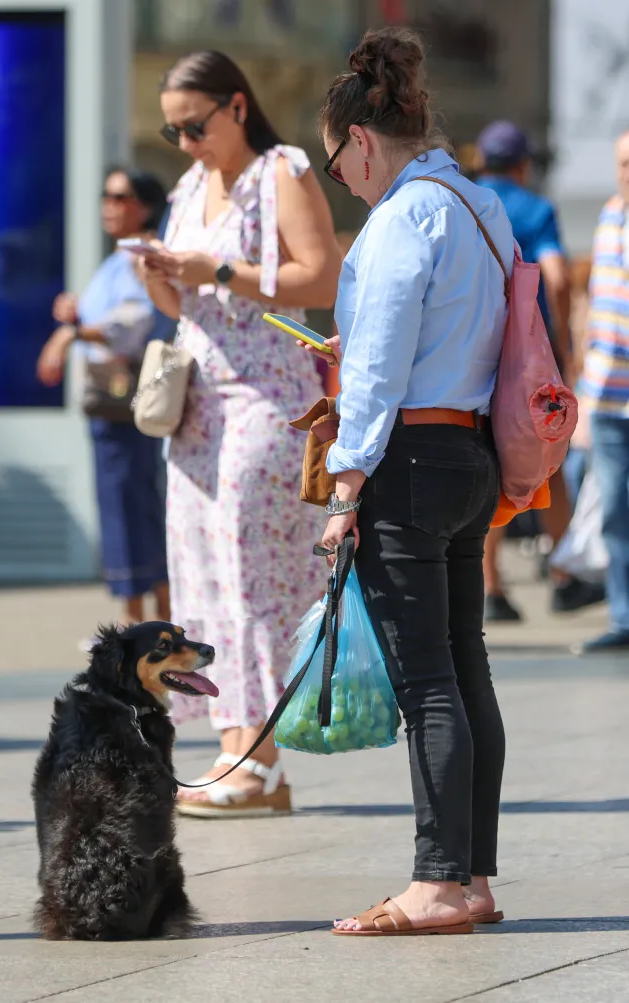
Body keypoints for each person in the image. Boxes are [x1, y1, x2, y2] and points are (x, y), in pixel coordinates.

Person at [307, 27, 512, 934]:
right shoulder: (479, 205)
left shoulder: (399, 218)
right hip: (470, 452)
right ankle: (469, 877)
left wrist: (345, 484)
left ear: (359, 138)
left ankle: (435, 881)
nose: (340, 182)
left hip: (411, 464)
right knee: (465, 668)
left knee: (427, 679)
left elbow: (382, 367)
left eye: (334, 164)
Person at [140, 49, 340, 817]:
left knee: (252, 570)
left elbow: (320, 277)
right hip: (196, 402)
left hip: (266, 396)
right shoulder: (192, 185)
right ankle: (234, 744)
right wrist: (159, 271)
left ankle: (257, 754)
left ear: (235, 108)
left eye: (194, 125)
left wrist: (216, 270)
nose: (185, 143)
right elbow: (180, 303)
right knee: (200, 574)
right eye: (171, 130)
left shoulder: (279, 171)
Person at [475, 121, 603, 620]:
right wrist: (563, 345)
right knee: (547, 463)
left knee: (491, 466)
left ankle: (490, 589)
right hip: (530, 365)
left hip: (481, 356)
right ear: (524, 165)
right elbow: (554, 275)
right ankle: (564, 576)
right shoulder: (537, 209)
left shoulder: (472, 204)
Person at [37, 167, 171, 626]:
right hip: (115, 404)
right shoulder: (118, 259)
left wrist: (71, 332)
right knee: (128, 503)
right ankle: (144, 618)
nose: (110, 206)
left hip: (127, 404)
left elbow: (132, 322)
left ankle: (148, 622)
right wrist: (78, 312)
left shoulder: (140, 256)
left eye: (121, 197)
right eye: (106, 196)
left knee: (133, 505)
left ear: (146, 205)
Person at [577, 131, 629, 651]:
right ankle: (624, 616)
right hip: (608, 395)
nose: (625, 172)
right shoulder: (610, 216)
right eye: (621, 163)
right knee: (612, 508)